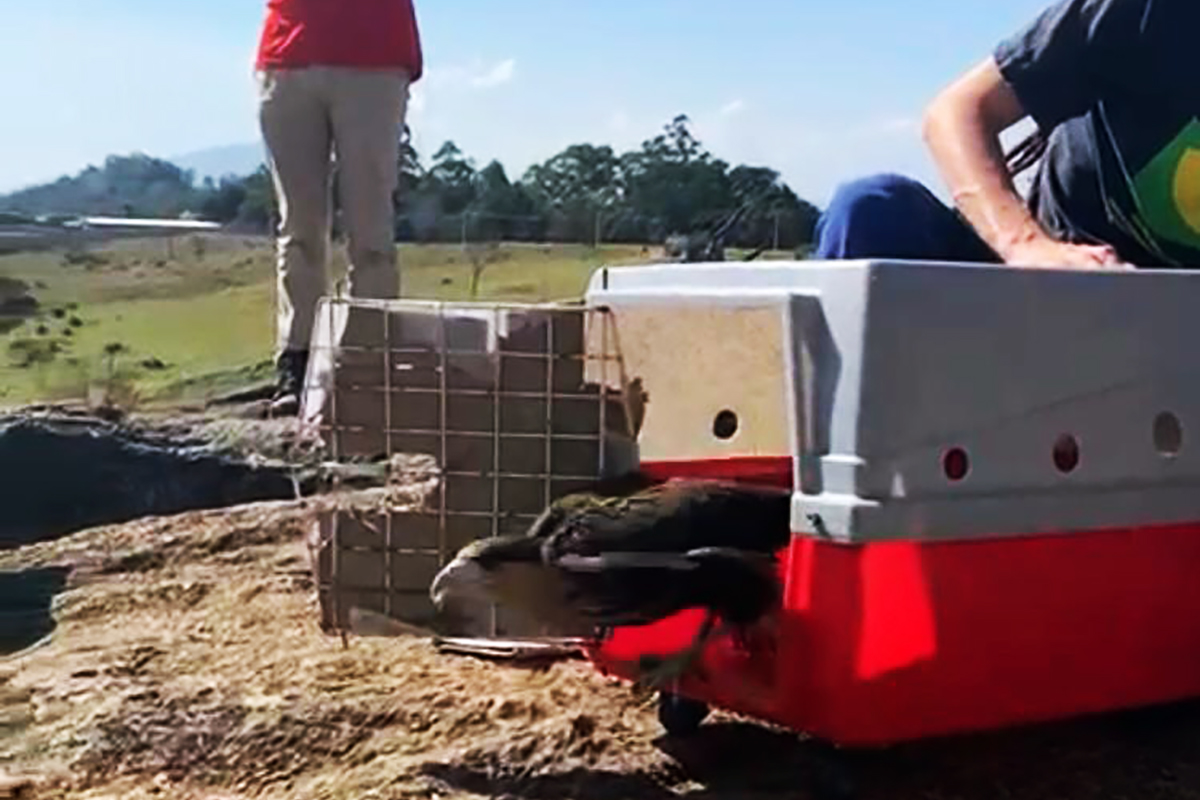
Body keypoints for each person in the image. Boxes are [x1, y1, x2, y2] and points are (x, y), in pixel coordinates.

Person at [815, 0, 1200, 272]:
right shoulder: (1157, 10)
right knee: (873, 208)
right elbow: (957, 110)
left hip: (1166, 339)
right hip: (1045, 288)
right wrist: (1026, 246)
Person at [255, 0, 424, 415]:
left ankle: (367, 366)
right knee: (300, 229)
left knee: (371, 231)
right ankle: (298, 362)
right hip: (289, 57)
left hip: (374, 59)